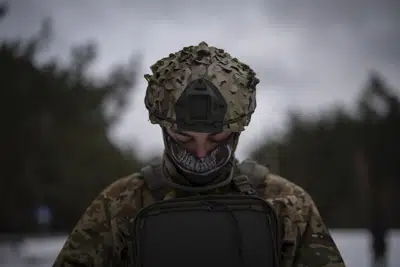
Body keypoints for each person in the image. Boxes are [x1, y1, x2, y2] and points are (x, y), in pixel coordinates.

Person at [53, 42, 346, 267]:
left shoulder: (287, 206)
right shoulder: (118, 206)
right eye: (185, 138)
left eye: (217, 138)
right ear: (165, 130)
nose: (202, 151)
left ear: (237, 131)